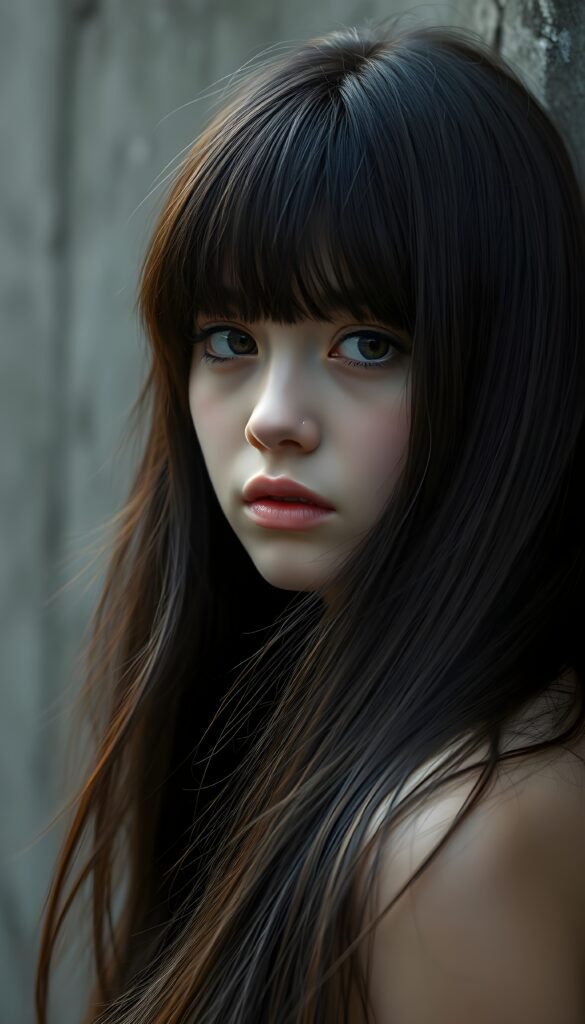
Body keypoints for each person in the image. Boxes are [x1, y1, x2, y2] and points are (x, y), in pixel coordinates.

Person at [36, 17, 585, 1024]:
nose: (273, 419)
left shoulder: (461, 846)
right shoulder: (296, 718)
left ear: (505, 368)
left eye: (368, 344)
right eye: (231, 338)